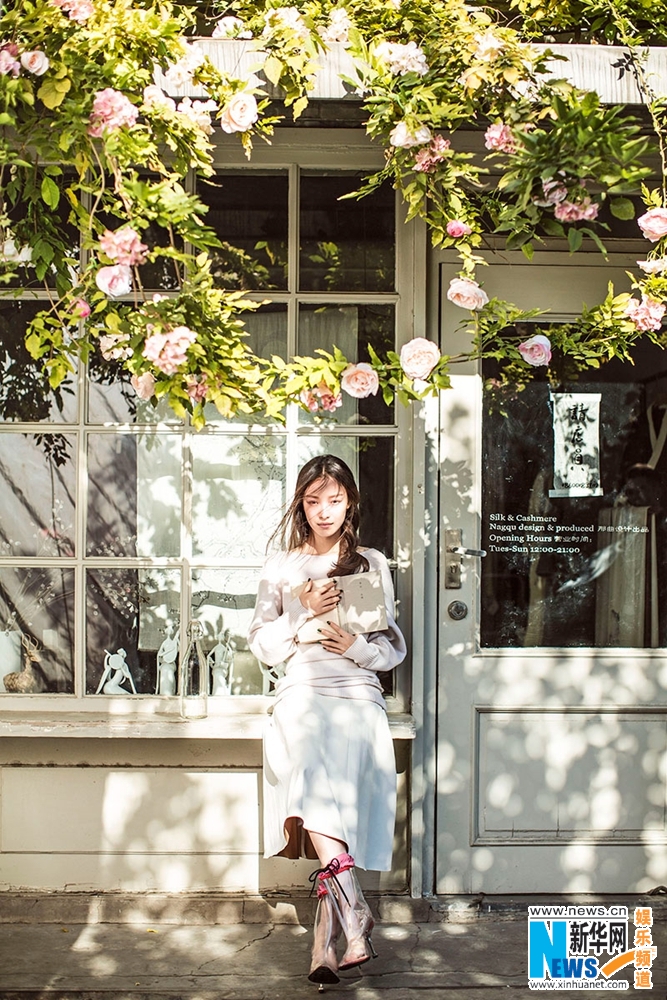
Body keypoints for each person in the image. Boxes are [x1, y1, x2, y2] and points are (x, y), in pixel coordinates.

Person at [248, 455, 407, 985]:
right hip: (302, 688)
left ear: (350, 503)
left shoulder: (371, 562)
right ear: (301, 504)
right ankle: (352, 916)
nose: (323, 512)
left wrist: (356, 645)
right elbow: (262, 647)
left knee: (318, 785)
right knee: (312, 760)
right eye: (313, 501)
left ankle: (325, 941)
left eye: (333, 501)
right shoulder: (283, 566)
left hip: (358, 691)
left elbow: (391, 649)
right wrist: (302, 617)